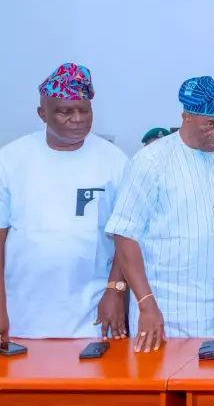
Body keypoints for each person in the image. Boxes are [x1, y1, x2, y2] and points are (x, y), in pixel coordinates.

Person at [105, 76, 214, 352]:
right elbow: (124, 235)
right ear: (186, 117)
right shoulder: (152, 160)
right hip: (166, 310)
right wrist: (146, 304)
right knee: (166, 378)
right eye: (211, 124)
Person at [0, 63, 129, 341]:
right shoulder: (10, 159)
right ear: (42, 113)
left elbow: (126, 235)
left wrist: (115, 290)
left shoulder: (114, 160)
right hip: (22, 313)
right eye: (65, 111)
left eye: (84, 110)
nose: (77, 119)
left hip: (93, 313)